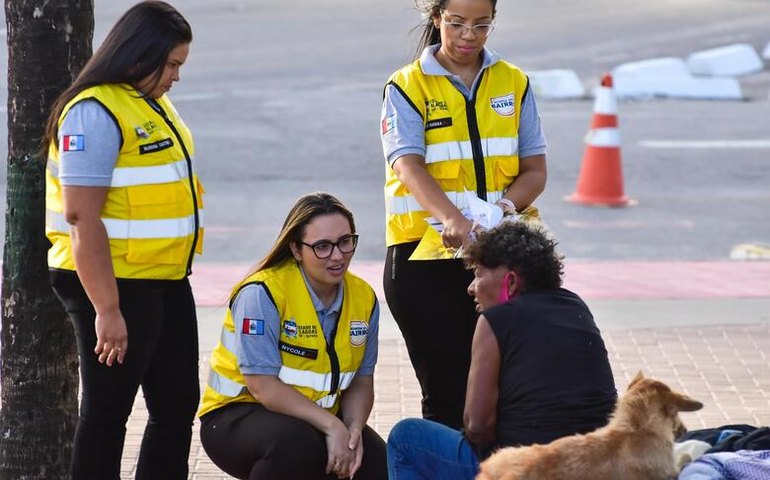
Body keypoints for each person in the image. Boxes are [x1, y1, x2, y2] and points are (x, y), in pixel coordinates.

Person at [42, 2, 202, 479]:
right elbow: (81, 217)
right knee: (109, 413)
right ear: (139, 54)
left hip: (165, 276)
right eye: (171, 64)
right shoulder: (93, 112)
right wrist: (107, 311)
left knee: (177, 406)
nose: (176, 76)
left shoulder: (149, 100)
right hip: (113, 281)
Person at [379, 0, 548, 429]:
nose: (468, 35)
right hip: (425, 261)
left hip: (501, 258)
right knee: (449, 397)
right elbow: (407, 165)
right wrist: (453, 218)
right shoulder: (406, 86)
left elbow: (535, 170)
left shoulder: (514, 82)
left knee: (513, 389)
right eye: (456, 23)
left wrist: (503, 210)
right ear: (436, 18)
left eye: (481, 24)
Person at [386, 221, 618, 479]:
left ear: (510, 282)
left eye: (478, 274)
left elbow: (477, 426)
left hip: (527, 468)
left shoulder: (496, 321)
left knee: (405, 438)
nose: (471, 287)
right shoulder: (576, 306)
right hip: (593, 463)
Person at [198, 192, 388, 480]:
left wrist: (352, 432)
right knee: (296, 444)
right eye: (322, 246)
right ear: (297, 250)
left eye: (345, 242)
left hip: (313, 418)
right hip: (236, 416)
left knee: (378, 465)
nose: (337, 255)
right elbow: (262, 386)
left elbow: (361, 381)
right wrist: (331, 426)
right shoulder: (262, 294)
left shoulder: (363, 298)